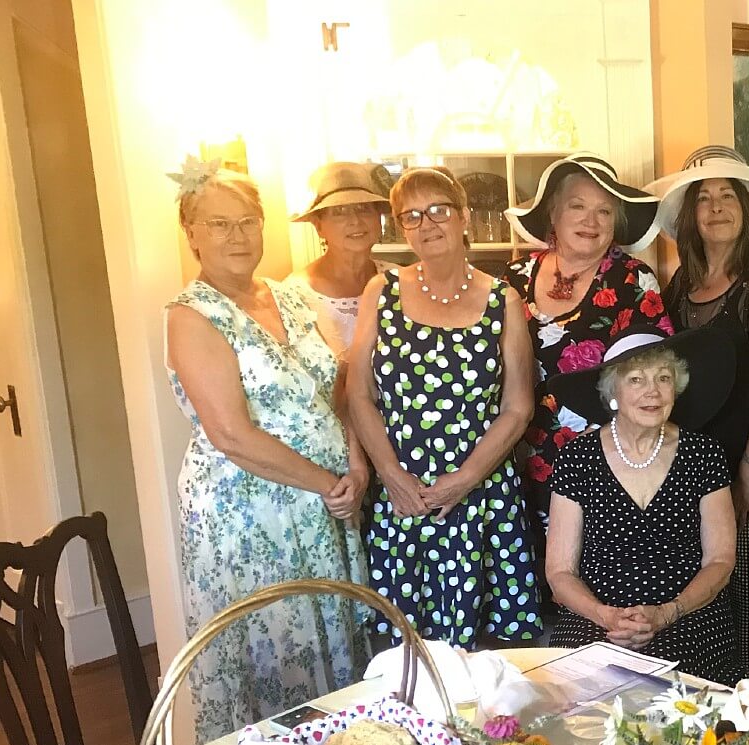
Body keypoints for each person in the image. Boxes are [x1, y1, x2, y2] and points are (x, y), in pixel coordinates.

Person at [163, 161, 368, 742]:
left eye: (248, 221)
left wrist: (355, 465)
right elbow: (232, 434)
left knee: (330, 657)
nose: (237, 236)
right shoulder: (190, 314)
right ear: (192, 233)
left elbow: (339, 391)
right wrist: (329, 483)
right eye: (218, 224)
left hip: (323, 506)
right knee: (272, 656)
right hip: (249, 518)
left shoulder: (293, 298)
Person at [347, 166, 543, 646]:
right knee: (405, 653)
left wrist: (465, 479)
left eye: (439, 210)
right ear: (401, 228)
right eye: (411, 216)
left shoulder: (503, 300)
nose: (427, 223)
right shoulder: (382, 291)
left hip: (481, 493)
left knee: (488, 660)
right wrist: (392, 477)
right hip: (404, 494)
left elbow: (518, 407)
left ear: (464, 217)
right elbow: (359, 395)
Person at [646, 145, 749, 680]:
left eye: (727, 195)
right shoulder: (680, 287)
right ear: (690, 215)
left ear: (747, 211)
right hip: (700, 473)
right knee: (705, 597)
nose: (715, 206)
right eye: (703, 198)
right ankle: (708, 709)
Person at [544, 327, 741, 684]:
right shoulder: (577, 458)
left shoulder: (704, 454)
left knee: (678, 694)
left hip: (686, 612)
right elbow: (559, 573)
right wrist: (606, 617)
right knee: (581, 689)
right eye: (636, 379)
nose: (652, 391)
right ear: (613, 392)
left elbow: (721, 561)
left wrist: (666, 613)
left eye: (663, 378)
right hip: (597, 615)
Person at [502, 152, 672, 535]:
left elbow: (654, 382)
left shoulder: (633, 281)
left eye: (604, 212)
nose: (590, 221)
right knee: (532, 574)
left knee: (596, 578)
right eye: (577, 206)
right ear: (553, 214)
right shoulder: (512, 278)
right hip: (519, 456)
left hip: (605, 464)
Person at [285, 162, 397, 356]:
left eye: (363, 208)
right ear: (318, 226)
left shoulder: (399, 280)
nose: (355, 220)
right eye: (339, 211)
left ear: (378, 219)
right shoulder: (294, 296)